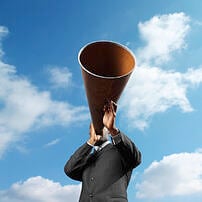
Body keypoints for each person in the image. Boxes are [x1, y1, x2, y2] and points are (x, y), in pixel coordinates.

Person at [64, 101, 141, 202]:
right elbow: (69, 170)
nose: (97, 129)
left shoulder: (120, 151)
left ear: (108, 130)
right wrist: (90, 143)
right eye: (93, 128)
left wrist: (113, 129)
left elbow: (136, 157)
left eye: (100, 126)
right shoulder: (86, 159)